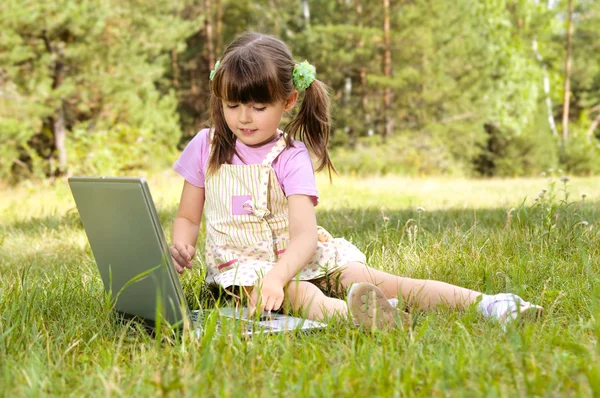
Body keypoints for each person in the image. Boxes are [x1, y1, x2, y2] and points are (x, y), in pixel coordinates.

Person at [169, 32, 542, 330]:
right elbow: (188, 217)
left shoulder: (289, 156)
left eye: (258, 107)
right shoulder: (207, 146)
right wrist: (183, 245)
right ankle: (364, 317)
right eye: (232, 105)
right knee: (298, 296)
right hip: (244, 270)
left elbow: (302, 236)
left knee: (376, 278)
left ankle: (490, 304)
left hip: (297, 255)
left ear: (288, 100)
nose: (243, 118)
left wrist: (278, 273)